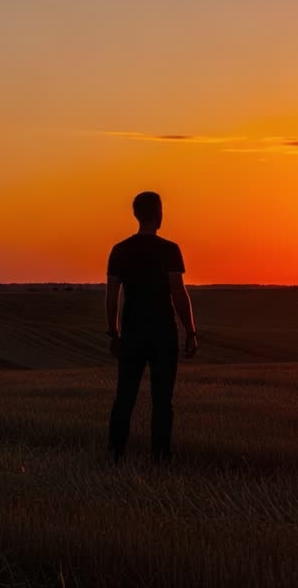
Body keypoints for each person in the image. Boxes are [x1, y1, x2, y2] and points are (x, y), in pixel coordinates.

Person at [105, 191, 198, 462]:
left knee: (125, 396)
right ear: (158, 214)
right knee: (162, 400)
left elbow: (112, 295)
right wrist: (191, 332)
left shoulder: (120, 250)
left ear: (136, 214)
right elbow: (178, 293)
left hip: (132, 332)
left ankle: (114, 456)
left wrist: (114, 332)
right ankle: (161, 457)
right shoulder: (170, 250)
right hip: (163, 333)